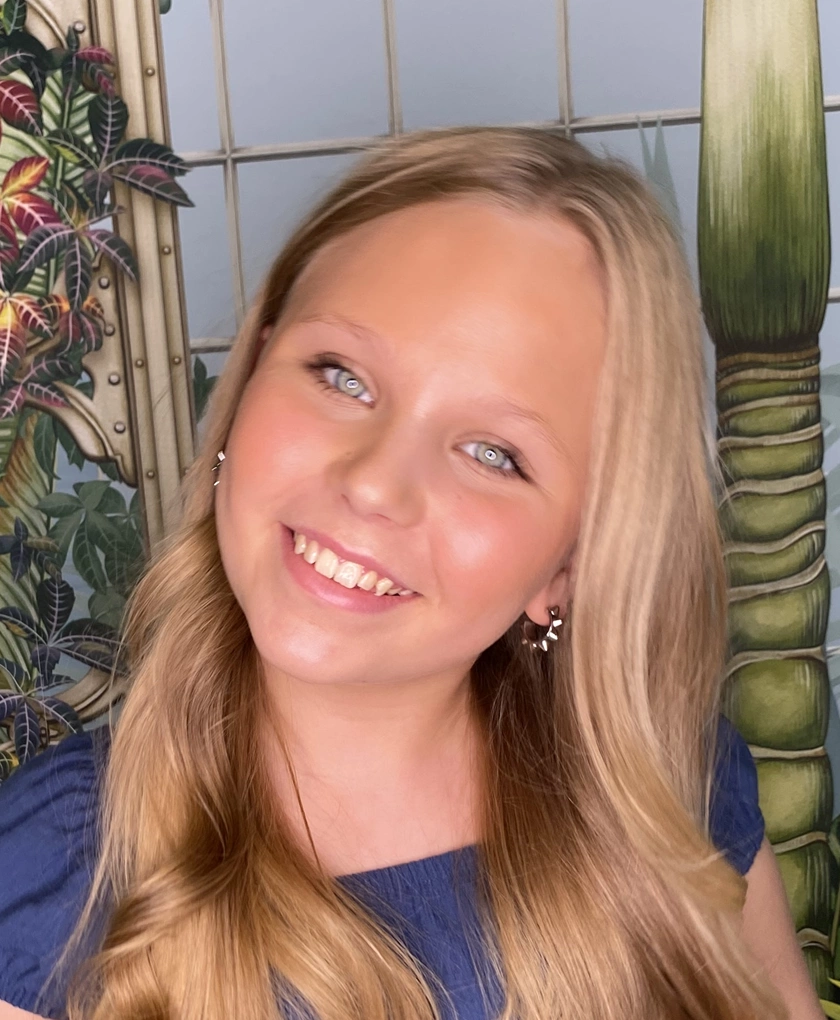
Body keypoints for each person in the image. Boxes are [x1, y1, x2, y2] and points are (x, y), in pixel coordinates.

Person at [0, 127, 823, 1020]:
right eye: (342, 377)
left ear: (570, 565)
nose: (374, 485)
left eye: (494, 454)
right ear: (247, 384)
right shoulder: (54, 869)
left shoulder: (673, 792)